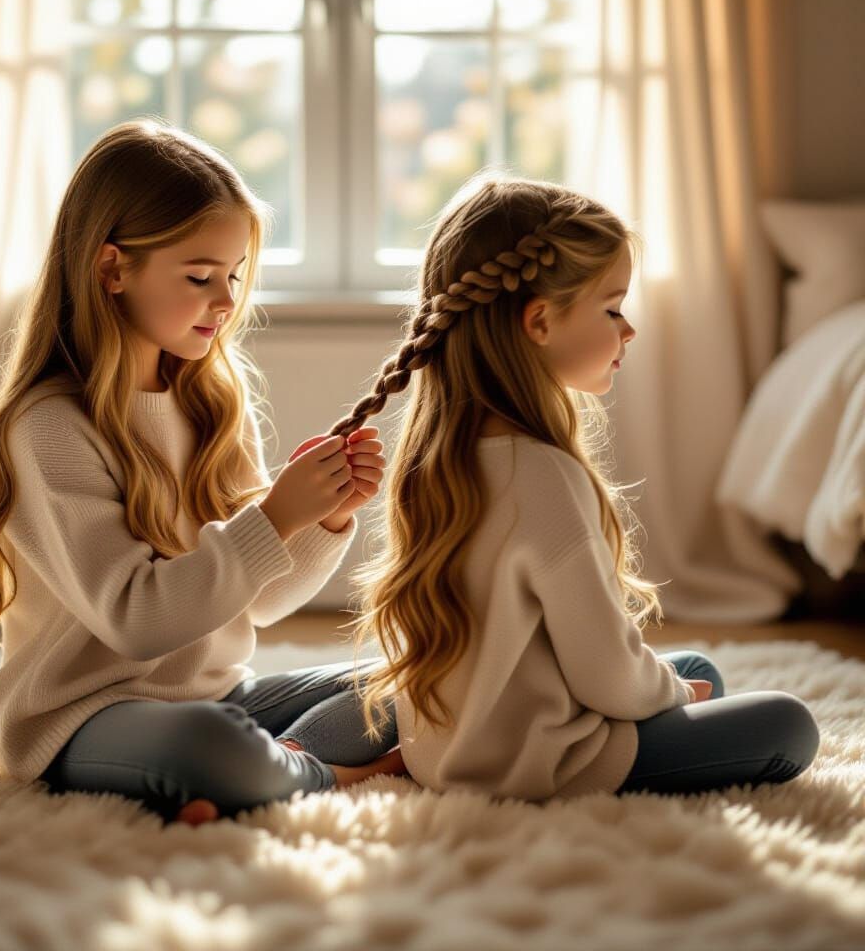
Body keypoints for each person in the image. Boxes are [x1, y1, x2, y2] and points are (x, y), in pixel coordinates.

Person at [0, 117, 405, 827]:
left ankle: (260, 772)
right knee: (206, 742)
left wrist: (326, 516)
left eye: (234, 277)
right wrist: (276, 516)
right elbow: (137, 623)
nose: (225, 301)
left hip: (217, 697)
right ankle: (314, 772)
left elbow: (253, 604)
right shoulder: (50, 429)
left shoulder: (211, 401)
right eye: (199, 276)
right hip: (83, 717)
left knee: (414, 682)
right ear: (112, 269)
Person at [329, 171, 820, 803]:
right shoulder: (545, 476)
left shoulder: (437, 459)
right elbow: (609, 679)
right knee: (786, 723)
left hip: (454, 750)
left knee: (695, 669)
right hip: (540, 763)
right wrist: (671, 696)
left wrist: (673, 687)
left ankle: (393, 764)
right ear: (538, 321)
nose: (629, 330)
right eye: (613, 308)